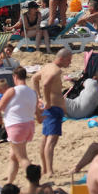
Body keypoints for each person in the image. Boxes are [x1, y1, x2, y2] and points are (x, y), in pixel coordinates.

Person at [33, 47, 72, 177]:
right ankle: (49, 171)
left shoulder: (47, 66)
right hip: (53, 108)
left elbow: (34, 79)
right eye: (69, 60)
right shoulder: (55, 71)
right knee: (51, 141)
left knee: (45, 139)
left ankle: (45, 169)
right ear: (61, 58)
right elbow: (45, 84)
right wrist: (47, 102)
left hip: (49, 108)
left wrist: (39, 97)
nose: (70, 63)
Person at [0, 67, 39, 184]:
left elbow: (0, 107)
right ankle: (9, 183)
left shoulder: (12, 90)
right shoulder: (32, 93)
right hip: (29, 125)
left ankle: (35, 182)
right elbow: (38, 114)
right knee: (13, 155)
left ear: (14, 77)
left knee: (22, 158)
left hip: (16, 126)